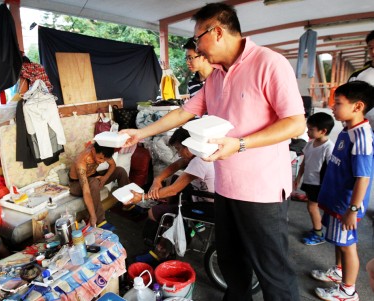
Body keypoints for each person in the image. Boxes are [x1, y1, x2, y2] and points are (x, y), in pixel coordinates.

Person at [121, 3, 305, 300]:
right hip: (225, 187)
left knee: (273, 270)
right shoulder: (216, 76)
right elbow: (184, 113)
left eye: (198, 39)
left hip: (263, 192)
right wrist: (140, 132)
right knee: (233, 264)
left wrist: (240, 144)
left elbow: (296, 123)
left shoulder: (269, 63)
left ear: (217, 31)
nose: (197, 47)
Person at [311, 81, 374, 301]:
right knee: (340, 242)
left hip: (346, 205)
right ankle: (339, 271)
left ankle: (348, 290)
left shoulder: (362, 137)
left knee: (348, 246)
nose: (332, 107)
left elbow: (363, 178)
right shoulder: (347, 129)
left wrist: (353, 209)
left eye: (338, 103)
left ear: (358, 106)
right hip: (336, 201)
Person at [125, 127, 215, 264]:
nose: (178, 154)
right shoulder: (198, 154)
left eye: (178, 149)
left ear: (188, 146)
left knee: (152, 213)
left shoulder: (199, 161)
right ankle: (171, 218)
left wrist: (142, 197)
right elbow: (176, 165)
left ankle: (162, 251)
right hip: (204, 197)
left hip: (207, 206)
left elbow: (173, 190)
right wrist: (157, 180)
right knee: (173, 179)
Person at [293, 112, 335, 246]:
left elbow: (331, 169)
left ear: (323, 131)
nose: (308, 132)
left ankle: (318, 233)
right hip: (309, 181)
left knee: (312, 207)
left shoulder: (328, 147)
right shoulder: (310, 144)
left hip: (319, 184)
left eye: (311, 129)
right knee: (311, 206)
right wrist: (298, 178)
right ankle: (316, 229)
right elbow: (304, 162)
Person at [68, 142, 130, 230]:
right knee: (93, 182)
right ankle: (100, 221)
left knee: (120, 171)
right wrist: (92, 216)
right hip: (76, 184)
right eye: (100, 158)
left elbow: (113, 165)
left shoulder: (103, 151)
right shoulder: (81, 161)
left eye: (104, 159)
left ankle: (128, 204)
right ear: (93, 150)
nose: (102, 161)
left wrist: (105, 177)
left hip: (93, 177)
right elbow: (86, 191)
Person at [348, 30, 374, 127]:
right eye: (370, 48)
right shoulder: (357, 75)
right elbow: (347, 102)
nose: (373, 51)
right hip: (364, 129)